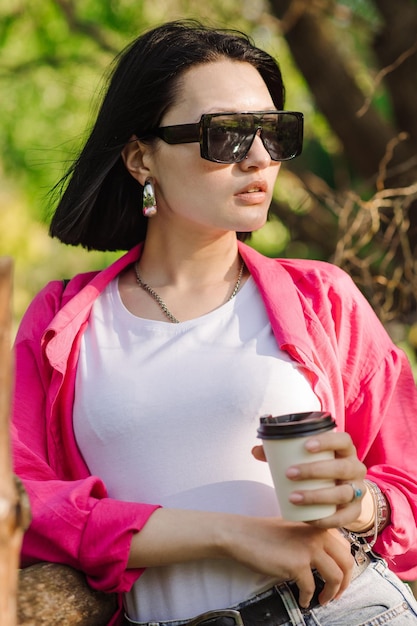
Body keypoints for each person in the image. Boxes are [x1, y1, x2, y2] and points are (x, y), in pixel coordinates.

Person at [11, 19, 417, 626]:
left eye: (272, 131)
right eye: (225, 135)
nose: (258, 157)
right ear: (141, 157)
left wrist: (361, 504)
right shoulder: (61, 324)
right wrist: (227, 534)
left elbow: (407, 482)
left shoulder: (323, 300)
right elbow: (26, 501)